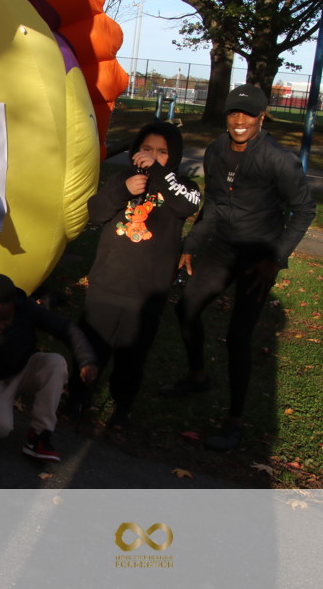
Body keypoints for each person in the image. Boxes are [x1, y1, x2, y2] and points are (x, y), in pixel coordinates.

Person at [162, 84, 315, 451]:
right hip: (222, 248)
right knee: (187, 308)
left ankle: (234, 421)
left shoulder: (278, 159)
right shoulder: (216, 149)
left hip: (258, 256)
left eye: (247, 114)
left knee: (238, 337)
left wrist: (275, 258)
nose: (239, 120)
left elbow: (304, 210)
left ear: (261, 117)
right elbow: (215, 204)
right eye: (233, 113)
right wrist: (192, 245)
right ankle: (197, 376)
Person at [76, 122, 201, 430]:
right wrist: (123, 190)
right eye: (147, 149)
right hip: (107, 283)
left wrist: (158, 173)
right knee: (92, 348)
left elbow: (187, 204)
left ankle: (122, 408)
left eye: (162, 152)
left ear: (174, 156)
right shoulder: (123, 178)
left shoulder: (182, 186)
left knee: (132, 357)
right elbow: (96, 212)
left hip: (146, 293)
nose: (152, 156)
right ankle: (77, 399)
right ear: (135, 151)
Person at [0, 274, 98, 462]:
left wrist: (86, 359)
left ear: (14, 305)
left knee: (56, 363)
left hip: (26, 367)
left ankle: (39, 436)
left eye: (6, 318)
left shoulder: (26, 307)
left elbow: (65, 328)